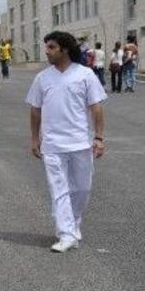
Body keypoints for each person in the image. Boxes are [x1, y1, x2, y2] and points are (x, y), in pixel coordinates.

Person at [27, 31, 106, 253]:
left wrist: (98, 138)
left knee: (82, 188)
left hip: (80, 142)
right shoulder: (42, 78)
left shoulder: (85, 75)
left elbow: (96, 107)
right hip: (52, 145)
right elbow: (35, 110)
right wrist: (35, 139)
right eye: (47, 47)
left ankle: (73, 224)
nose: (47, 51)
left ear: (64, 49)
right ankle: (66, 233)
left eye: (51, 47)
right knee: (58, 190)